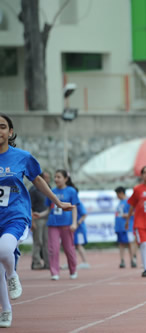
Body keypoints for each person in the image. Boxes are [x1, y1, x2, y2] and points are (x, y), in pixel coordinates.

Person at [0, 114, 73, 327]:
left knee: (4, 251)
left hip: (15, 214)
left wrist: (57, 202)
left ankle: (12, 274)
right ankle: (5, 310)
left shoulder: (22, 157)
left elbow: (38, 180)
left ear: (10, 132)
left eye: (2, 127)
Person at [34, 169, 80, 281]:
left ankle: (73, 270)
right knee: (53, 249)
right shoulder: (51, 191)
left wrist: (74, 223)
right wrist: (40, 215)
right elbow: (49, 210)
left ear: (65, 179)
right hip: (53, 225)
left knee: (69, 249)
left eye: (59, 177)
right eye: (55, 177)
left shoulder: (71, 191)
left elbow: (74, 208)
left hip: (67, 225)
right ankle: (54, 272)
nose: (56, 179)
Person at [29, 171, 51, 270]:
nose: (49, 180)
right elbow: (29, 206)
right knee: (38, 242)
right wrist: (32, 221)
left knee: (47, 242)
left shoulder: (48, 188)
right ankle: (36, 262)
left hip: (47, 218)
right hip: (37, 218)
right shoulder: (33, 190)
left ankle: (48, 263)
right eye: (47, 178)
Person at [114, 186, 137, 269]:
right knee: (121, 244)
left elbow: (134, 212)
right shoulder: (120, 202)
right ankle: (122, 260)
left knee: (130, 243)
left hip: (128, 226)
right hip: (119, 226)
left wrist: (126, 215)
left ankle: (132, 260)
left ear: (121, 193)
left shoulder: (128, 202)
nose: (117, 196)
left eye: (117, 194)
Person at [74, 201, 90, 269]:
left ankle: (85, 262)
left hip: (79, 229)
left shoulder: (78, 203)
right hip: (72, 228)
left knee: (79, 244)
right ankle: (72, 262)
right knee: (71, 245)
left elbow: (84, 214)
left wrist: (77, 223)